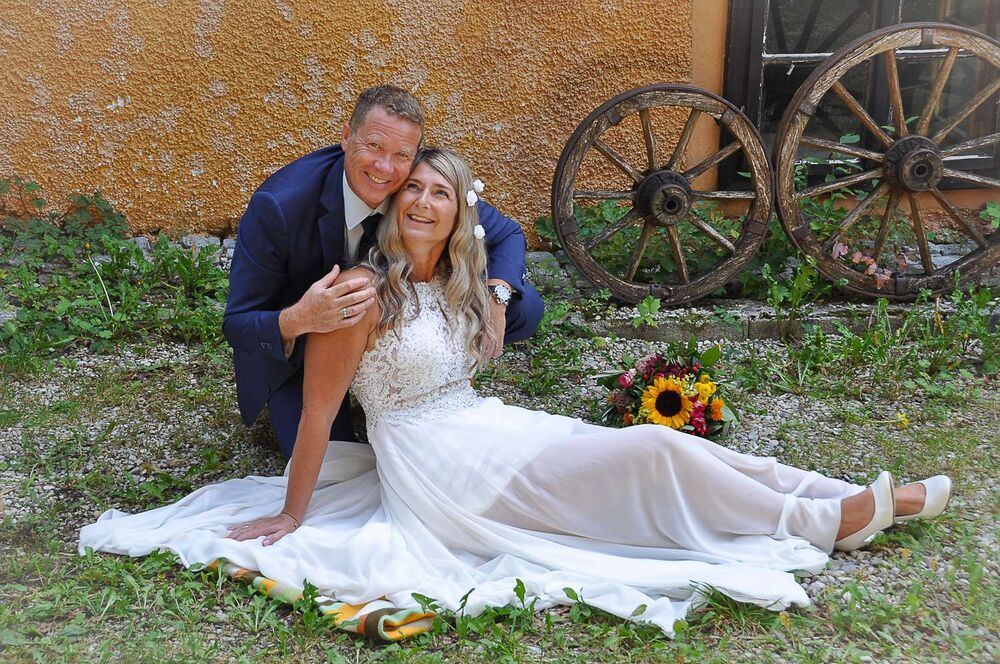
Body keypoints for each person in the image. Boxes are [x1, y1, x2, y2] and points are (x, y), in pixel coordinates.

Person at [81, 149, 952, 634]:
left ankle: (838, 496)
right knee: (651, 448)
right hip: (440, 468)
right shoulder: (361, 291)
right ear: (392, 206)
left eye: (440, 193)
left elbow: (506, 262)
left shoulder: (459, 283)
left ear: (460, 214)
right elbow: (316, 412)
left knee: (650, 450)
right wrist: (291, 514)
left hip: (486, 427)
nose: (423, 202)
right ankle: (821, 521)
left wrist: (495, 292)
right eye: (412, 190)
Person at [223, 85, 543, 458]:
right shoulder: (278, 207)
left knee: (524, 306)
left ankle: (425, 372)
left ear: (414, 155)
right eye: (373, 146)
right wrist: (300, 318)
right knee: (334, 467)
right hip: (306, 349)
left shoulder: (414, 186)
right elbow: (237, 323)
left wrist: (497, 299)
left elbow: (507, 234)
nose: (384, 168)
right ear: (347, 137)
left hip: (390, 325)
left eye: (401, 155)